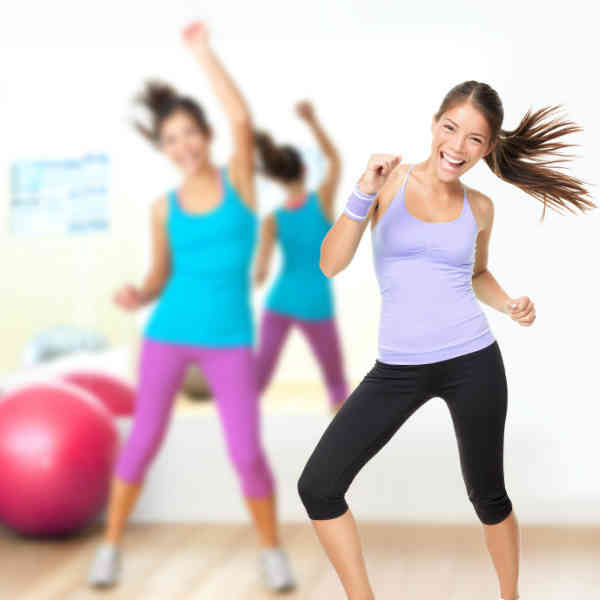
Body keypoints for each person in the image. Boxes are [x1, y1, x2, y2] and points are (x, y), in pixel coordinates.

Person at [297, 81, 594, 600]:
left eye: (475, 139)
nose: (458, 146)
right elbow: (330, 263)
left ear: (488, 147)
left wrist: (508, 303)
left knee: (488, 495)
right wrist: (363, 189)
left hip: (472, 360)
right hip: (398, 368)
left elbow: (476, 273)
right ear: (434, 123)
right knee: (318, 485)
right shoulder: (386, 185)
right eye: (451, 128)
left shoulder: (479, 207)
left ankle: (510, 597)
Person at [88, 22, 295, 592]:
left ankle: (271, 551)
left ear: (205, 133)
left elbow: (242, 119)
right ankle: (109, 547)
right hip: (169, 331)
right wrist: (138, 293)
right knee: (143, 442)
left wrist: (203, 54)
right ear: (164, 149)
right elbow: (159, 276)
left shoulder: (241, 185)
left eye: (189, 133)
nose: (182, 146)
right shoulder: (162, 207)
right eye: (170, 139)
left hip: (229, 339)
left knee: (247, 452)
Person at [253, 100, 348, 413]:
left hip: (280, 301)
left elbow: (261, 273)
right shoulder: (320, 201)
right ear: (305, 170)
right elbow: (334, 161)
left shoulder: (272, 218)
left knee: (257, 380)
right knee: (336, 385)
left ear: (277, 179)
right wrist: (312, 121)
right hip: (315, 302)